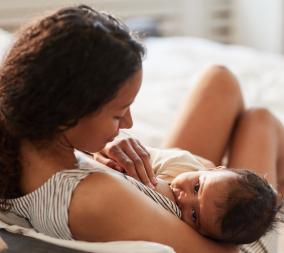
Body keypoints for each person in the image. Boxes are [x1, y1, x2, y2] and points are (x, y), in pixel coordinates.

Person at [0, 4, 282, 253]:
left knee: (220, 80)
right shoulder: (97, 198)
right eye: (118, 113)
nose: (128, 124)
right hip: (235, 238)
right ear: (70, 113)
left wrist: (102, 147)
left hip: (173, 192)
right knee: (261, 120)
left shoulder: (23, 134)